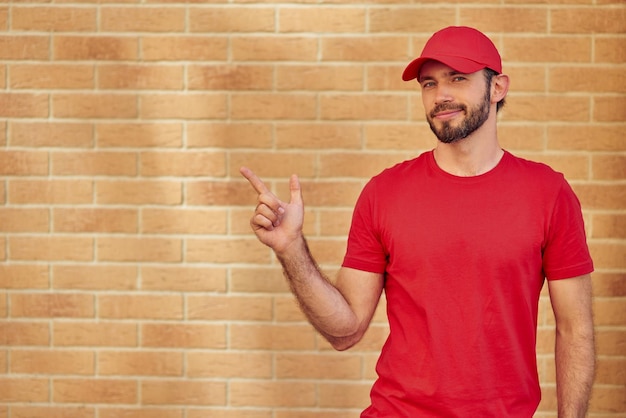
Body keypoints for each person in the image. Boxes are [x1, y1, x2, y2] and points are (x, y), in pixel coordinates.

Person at [240, 26, 595, 418]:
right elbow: (345, 330)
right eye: (429, 83)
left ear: (498, 88)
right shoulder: (383, 193)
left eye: (457, 79)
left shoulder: (548, 193)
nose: (441, 95)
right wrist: (291, 250)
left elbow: (575, 330)